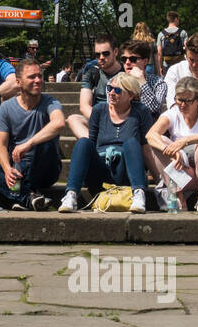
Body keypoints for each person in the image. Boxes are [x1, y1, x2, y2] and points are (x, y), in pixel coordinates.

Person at [58, 71, 155, 214]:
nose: (111, 93)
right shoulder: (99, 110)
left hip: (127, 172)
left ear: (131, 95)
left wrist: (161, 180)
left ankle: (139, 194)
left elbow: (146, 149)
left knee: (131, 142)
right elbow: (91, 144)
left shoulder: (141, 111)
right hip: (101, 173)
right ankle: (71, 194)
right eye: (110, 89)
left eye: (117, 90)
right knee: (84, 143)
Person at [0, 59, 64, 211]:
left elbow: (59, 123)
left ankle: (18, 195)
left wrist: (29, 143)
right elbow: (0, 146)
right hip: (19, 167)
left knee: (45, 142)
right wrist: (6, 169)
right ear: (18, 82)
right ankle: (29, 197)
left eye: (40, 76)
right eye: (32, 77)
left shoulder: (50, 102)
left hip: (45, 167)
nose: (38, 80)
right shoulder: (6, 107)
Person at [146, 77, 198, 212]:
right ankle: (178, 195)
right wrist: (171, 151)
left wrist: (186, 140)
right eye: (179, 100)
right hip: (188, 176)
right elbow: (150, 135)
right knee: (158, 141)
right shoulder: (173, 113)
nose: (182, 105)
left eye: (187, 101)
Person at [66, 35, 121, 140]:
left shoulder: (125, 72)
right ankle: (96, 146)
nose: (101, 57)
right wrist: (103, 122)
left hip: (121, 118)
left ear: (115, 52)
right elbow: (84, 106)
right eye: (97, 55)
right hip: (98, 119)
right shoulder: (92, 72)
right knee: (73, 119)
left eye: (105, 53)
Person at [120, 40, 167, 114]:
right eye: (124, 59)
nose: (127, 62)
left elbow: (154, 109)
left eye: (133, 59)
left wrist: (142, 82)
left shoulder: (159, 83)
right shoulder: (114, 83)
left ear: (145, 61)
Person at [157, 11, 186, 76]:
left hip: (167, 64)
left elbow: (159, 52)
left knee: (168, 84)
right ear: (176, 19)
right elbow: (187, 48)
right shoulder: (183, 32)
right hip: (180, 63)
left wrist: (160, 67)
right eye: (178, 19)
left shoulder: (161, 34)